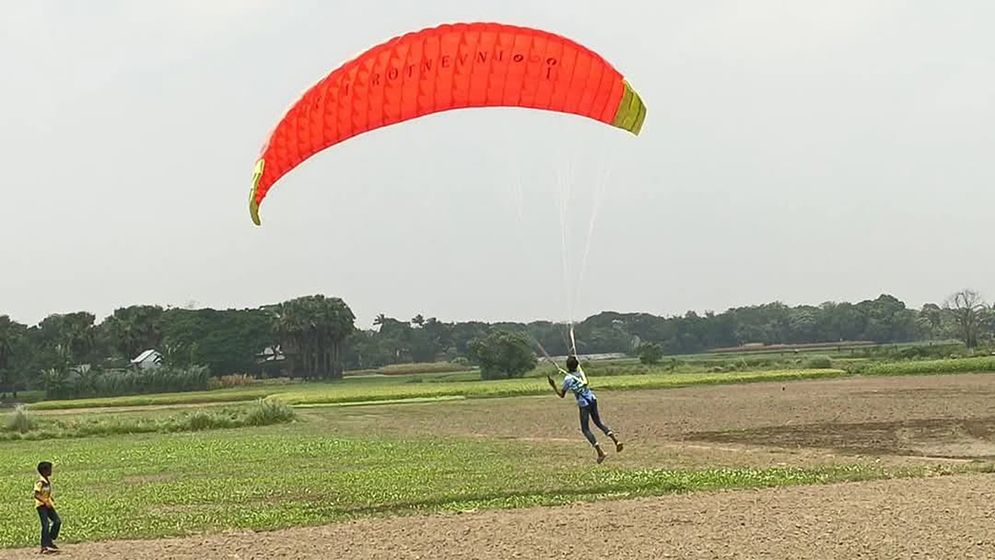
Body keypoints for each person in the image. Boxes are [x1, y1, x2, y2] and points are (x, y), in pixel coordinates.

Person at [547, 356, 623, 463]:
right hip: (592, 398)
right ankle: (616, 441)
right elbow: (577, 367)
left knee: (585, 429)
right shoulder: (581, 373)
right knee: (598, 423)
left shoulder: (568, 379)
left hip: (584, 403)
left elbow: (562, 395)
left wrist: (553, 385)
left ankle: (600, 452)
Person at [34, 461, 61, 554]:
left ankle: (49, 540)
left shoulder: (47, 481)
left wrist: (50, 499)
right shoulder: (40, 482)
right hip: (41, 506)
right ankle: (44, 546)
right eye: (49, 469)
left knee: (57, 521)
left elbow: (45, 493)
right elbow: (36, 495)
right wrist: (45, 501)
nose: (51, 471)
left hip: (48, 505)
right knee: (45, 525)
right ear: (44, 471)